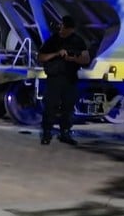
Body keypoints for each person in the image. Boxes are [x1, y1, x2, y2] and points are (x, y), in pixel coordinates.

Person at [36, 15, 90, 145]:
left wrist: (73, 59)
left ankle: (65, 133)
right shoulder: (53, 40)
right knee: (50, 106)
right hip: (54, 78)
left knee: (68, 107)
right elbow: (41, 57)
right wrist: (56, 54)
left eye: (64, 26)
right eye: (61, 26)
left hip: (70, 78)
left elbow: (86, 59)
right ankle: (47, 133)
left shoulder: (78, 41)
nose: (61, 29)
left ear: (70, 28)